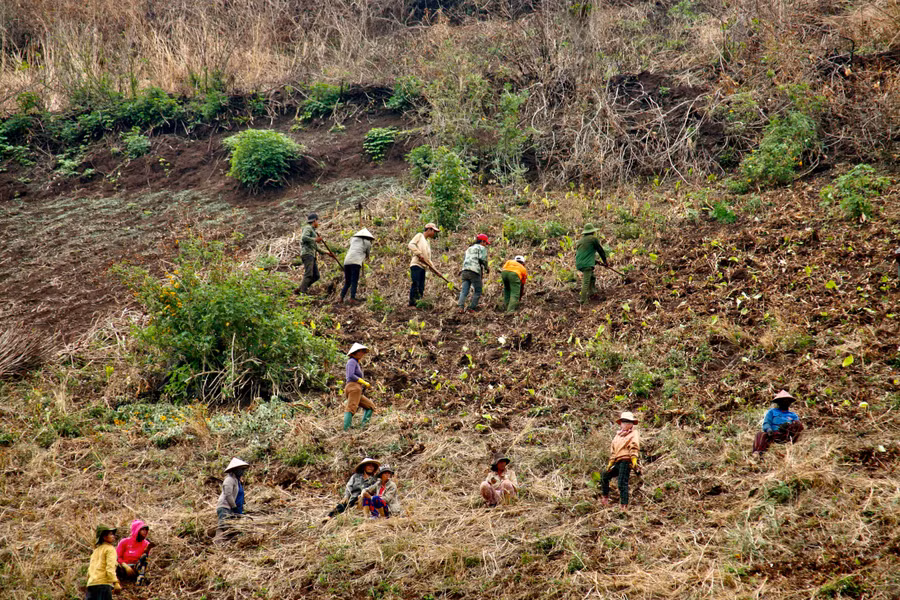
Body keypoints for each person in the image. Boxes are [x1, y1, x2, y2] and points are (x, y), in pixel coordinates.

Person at [601, 411, 640, 510]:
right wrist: (610, 463)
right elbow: (613, 451)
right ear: (621, 423)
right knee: (604, 476)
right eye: (624, 421)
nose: (626, 424)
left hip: (626, 461)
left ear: (631, 424)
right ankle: (605, 498)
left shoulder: (633, 434)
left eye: (628, 422)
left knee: (622, 483)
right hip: (617, 461)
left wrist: (634, 460)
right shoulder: (617, 435)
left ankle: (624, 506)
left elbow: (634, 447)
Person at [752, 390, 804, 458]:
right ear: (778, 402)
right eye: (783, 400)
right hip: (773, 435)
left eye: (787, 400)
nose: (785, 402)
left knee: (798, 424)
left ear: (790, 402)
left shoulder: (793, 415)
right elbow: (766, 423)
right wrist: (769, 429)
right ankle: (757, 453)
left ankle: (791, 444)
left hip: (787, 435)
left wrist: (787, 427)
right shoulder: (771, 412)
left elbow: (798, 427)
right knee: (760, 434)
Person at [407, 223, 443, 307]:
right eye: (434, 231)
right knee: (416, 283)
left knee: (421, 286)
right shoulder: (419, 236)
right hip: (416, 264)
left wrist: (436, 271)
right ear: (429, 229)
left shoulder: (427, 243)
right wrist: (419, 254)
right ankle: (412, 302)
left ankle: (419, 303)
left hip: (423, 267)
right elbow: (411, 245)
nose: (434, 233)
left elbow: (428, 260)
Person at [343, 343, 375, 430]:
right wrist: (363, 382)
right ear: (355, 352)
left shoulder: (356, 363)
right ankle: (346, 430)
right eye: (361, 352)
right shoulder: (351, 361)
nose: (362, 354)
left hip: (357, 389)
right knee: (351, 408)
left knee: (370, 406)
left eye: (363, 352)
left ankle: (364, 427)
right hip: (353, 387)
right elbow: (350, 375)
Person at [574, 223, 609, 305]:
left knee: (592, 278)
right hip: (587, 265)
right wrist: (605, 262)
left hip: (579, 263)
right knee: (586, 282)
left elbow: (585, 255)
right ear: (592, 231)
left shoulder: (580, 241)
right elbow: (600, 251)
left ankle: (593, 293)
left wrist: (596, 261)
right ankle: (583, 301)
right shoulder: (593, 239)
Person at [216, 457, 248, 537]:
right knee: (224, 526)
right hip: (225, 506)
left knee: (231, 527)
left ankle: (225, 544)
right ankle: (218, 542)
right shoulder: (229, 480)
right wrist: (234, 506)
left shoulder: (237, 481)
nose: (242, 471)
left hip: (232, 508)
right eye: (241, 469)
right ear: (235, 470)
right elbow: (228, 494)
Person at [341, 228, 375, 304]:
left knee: (347, 281)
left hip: (347, 261)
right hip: (356, 262)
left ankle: (341, 297)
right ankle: (352, 298)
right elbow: (367, 254)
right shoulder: (367, 243)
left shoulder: (353, 240)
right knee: (354, 281)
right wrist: (366, 256)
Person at [458, 234, 490, 312]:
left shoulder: (469, 248)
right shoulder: (481, 248)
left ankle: (460, 307)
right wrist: (487, 268)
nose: (486, 245)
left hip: (465, 271)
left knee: (464, 291)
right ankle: (471, 308)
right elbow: (483, 259)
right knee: (478, 290)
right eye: (485, 243)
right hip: (474, 271)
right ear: (482, 242)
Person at [86, 525, 120, 599]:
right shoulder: (110, 549)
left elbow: (90, 570)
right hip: (103, 584)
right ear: (104, 537)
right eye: (111, 534)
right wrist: (115, 582)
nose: (113, 536)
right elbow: (110, 567)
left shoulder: (95, 551)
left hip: (91, 584)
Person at [116, 519, 153, 586]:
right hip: (123, 567)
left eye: (146, 530)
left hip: (136, 569)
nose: (145, 532)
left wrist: (147, 551)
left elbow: (145, 560)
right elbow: (118, 557)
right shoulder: (124, 542)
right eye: (142, 530)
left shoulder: (146, 544)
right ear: (136, 530)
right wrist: (125, 566)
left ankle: (140, 580)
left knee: (145, 558)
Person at [298, 213, 325, 293]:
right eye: (317, 221)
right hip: (307, 254)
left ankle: (301, 288)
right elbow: (303, 238)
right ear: (314, 221)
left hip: (311, 255)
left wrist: (327, 253)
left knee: (316, 276)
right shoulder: (308, 228)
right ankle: (302, 292)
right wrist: (315, 239)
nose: (318, 223)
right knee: (309, 274)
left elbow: (315, 247)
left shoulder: (313, 231)